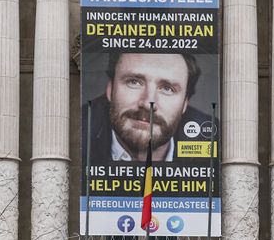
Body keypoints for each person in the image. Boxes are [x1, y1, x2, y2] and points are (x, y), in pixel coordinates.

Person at [83, 50, 213, 165]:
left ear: (185, 103)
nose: (147, 103)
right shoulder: (76, 134)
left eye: (167, 89)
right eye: (134, 82)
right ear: (110, 89)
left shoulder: (213, 142)